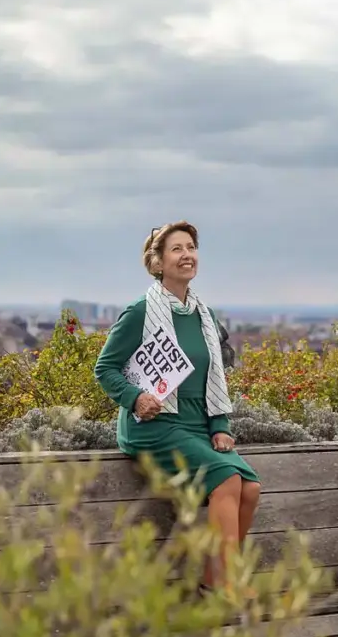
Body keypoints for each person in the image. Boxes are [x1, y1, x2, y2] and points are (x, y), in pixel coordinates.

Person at [94, 221, 260, 594]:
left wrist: (220, 424)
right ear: (157, 263)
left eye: (191, 247)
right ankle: (226, 585)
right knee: (227, 478)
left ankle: (212, 579)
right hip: (153, 423)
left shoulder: (204, 314)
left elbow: (212, 375)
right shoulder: (140, 312)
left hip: (196, 423)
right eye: (176, 249)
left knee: (249, 489)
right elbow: (104, 368)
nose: (187, 255)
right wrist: (135, 397)